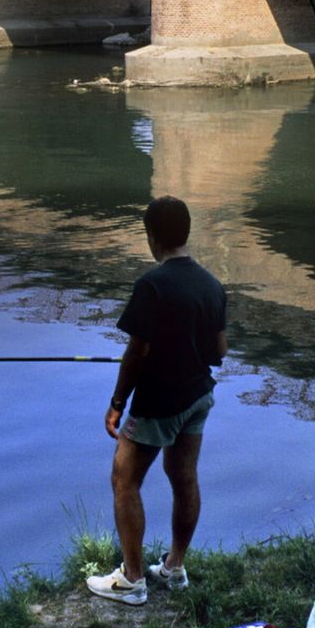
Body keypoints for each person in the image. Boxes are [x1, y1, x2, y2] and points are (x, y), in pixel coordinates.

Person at [85, 196, 228, 606]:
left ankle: (132, 580)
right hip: (198, 396)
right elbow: (219, 351)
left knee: (124, 479)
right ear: (185, 232)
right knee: (184, 477)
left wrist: (117, 402)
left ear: (151, 236)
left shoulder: (152, 285)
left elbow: (136, 352)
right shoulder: (212, 285)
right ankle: (174, 568)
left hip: (159, 401)